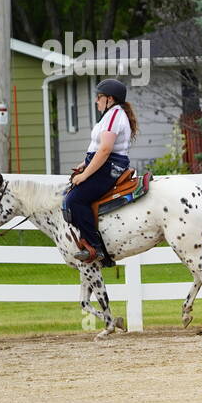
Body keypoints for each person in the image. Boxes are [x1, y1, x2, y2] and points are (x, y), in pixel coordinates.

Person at [63, 78, 137, 265]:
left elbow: (105, 150)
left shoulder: (113, 116)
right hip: (106, 163)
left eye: (99, 97)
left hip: (110, 166)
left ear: (109, 99)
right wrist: (85, 163)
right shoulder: (112, 114)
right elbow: (99, 148)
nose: (96, 101)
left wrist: (85, 175)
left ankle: (95, 248)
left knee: (74, 200)